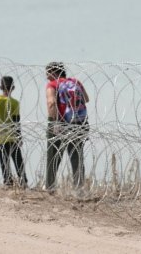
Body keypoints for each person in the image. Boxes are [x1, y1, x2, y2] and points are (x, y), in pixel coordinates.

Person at [45, 62, 90, 192]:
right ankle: (79, 187)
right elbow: (86, 99)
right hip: (79, 123)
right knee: (76, 156)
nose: (46, 76)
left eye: (47, 73)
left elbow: (51, 103)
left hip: (61, 122)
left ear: (53, 72)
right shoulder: (76, 82)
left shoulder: (53, 85)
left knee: (53, 156)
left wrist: (55, 122)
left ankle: (50, 187)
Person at [0, 76, 28, 187]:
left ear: (1, 87)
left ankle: (8, 181)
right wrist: (19, 136)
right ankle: (23, 181)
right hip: (12, 136)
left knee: (4, 160)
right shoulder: (14, 103)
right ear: (13, 88)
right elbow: (16, 121)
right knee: (17, 159)